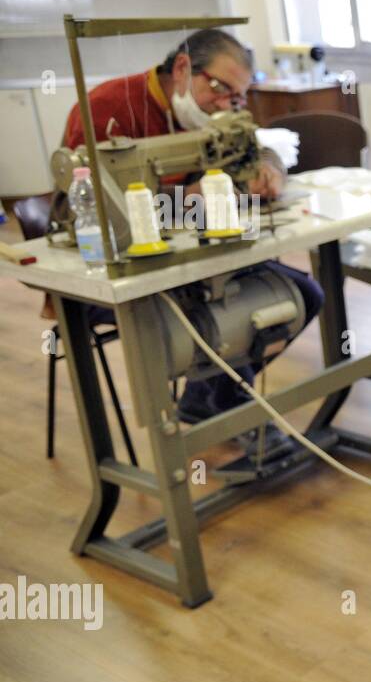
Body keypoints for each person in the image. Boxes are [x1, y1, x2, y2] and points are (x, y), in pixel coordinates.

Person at [60, 28, 324, 427]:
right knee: (223, 309)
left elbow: (260, 145)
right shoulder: (105, 108)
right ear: (183, 67)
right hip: (121, 267)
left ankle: (209, 399)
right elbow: (91, 208)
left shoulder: (212, 116)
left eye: (236, 96)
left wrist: (270, 168)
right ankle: (231, 407)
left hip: (199, 260)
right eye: (219, 88)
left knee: (303, 294)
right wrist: (184, 198)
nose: (226, 103)